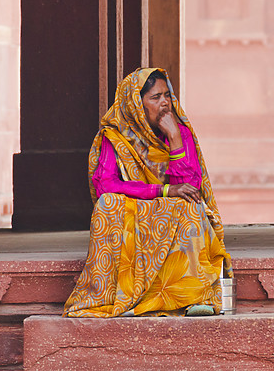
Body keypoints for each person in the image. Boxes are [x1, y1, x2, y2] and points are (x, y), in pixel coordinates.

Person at [64, 67, 231, 317]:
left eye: (167, 95)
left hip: (170, 207)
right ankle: (112, 295)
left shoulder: (180, 132)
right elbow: (105, 185)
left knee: (190, 206)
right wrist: (161, 190)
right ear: (136, 104)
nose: (165, 103)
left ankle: (192, 295)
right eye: (155, 97)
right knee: (107, 205)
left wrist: (174, 139)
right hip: (141, 204)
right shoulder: (116, 136)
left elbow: (191, 187)